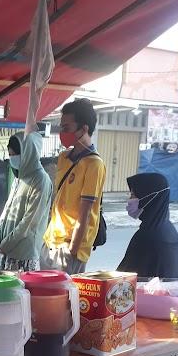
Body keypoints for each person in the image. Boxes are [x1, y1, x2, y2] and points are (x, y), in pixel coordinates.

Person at [42, 98, 106, 274]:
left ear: (84, 129)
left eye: (66, 128)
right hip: (51, 240)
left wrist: (72, 250)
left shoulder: (94, 164)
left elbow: (84, 214)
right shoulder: (64, 158)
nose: (62, 132)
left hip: (69, 246)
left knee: (63, 299)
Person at [0, 131, 53, 271]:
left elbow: (29, 223)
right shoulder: (19, 177)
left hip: (24, 256)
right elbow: (8, 210)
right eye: (10, 155)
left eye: (15, 155)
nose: (12, 159)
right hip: (8, 252)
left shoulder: (40, 180)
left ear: (27, 153)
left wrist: (5, 244)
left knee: (21, 292)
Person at [118, 172, 178, 278]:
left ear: (148, 198)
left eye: (133, 195)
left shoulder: (147, 235)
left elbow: (124, 279)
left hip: (146, 293)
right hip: (164, 293)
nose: (129, 200)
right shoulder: (168, 230)